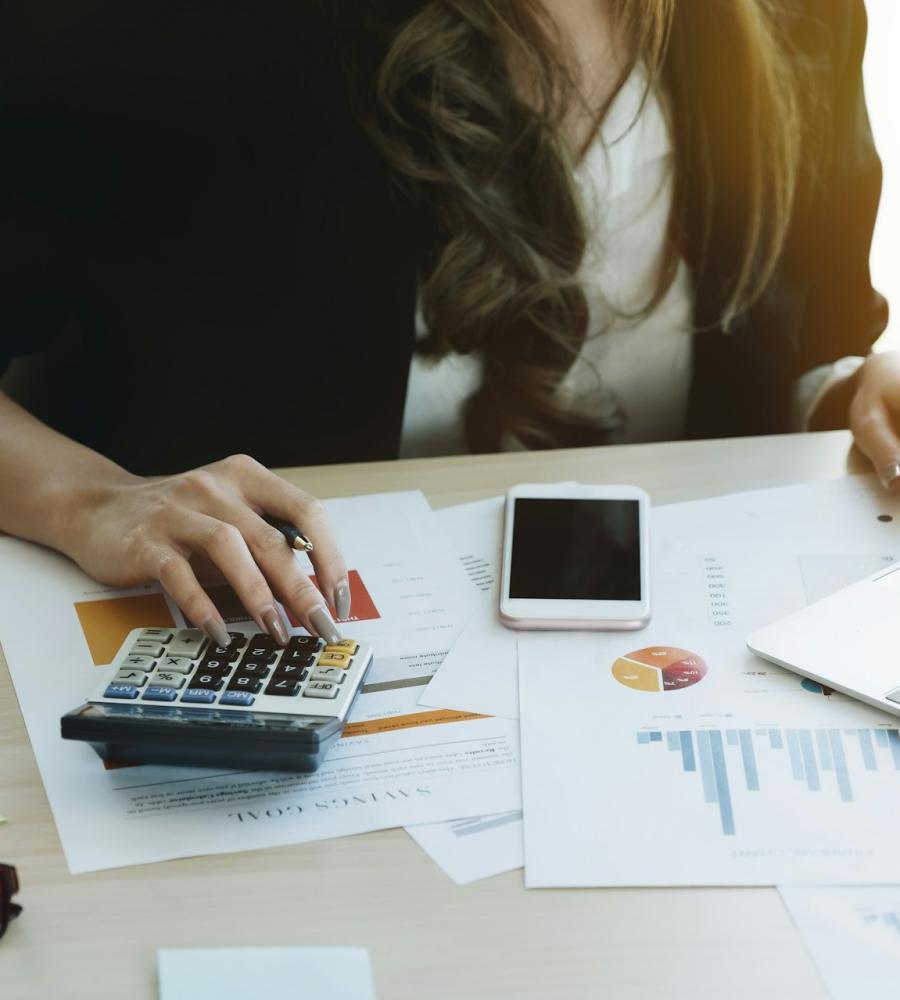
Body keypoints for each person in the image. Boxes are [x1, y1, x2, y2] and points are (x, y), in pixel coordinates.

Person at [0, 0, 892, 646]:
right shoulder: (176, 35)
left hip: (669, 663)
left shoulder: (798, 20)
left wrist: (860, 389)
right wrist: (88, 499)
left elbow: (809, 339)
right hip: (289, 663)